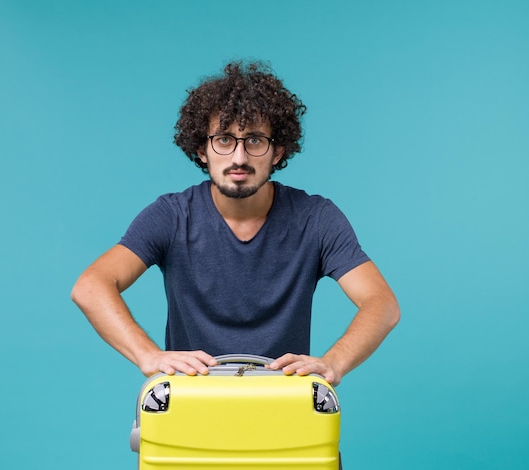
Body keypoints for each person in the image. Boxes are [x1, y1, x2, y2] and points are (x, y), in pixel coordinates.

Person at [71, 61, 399, 387]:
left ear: (277, 151)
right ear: (202, 149)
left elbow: (381, 303)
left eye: (255, 140)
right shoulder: (171, 216)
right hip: (192, 406)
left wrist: (333, 363)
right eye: (225, 140)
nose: (239, 157)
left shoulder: (315, 218)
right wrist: (148, 355)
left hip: (283, 409)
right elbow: (91, 286)